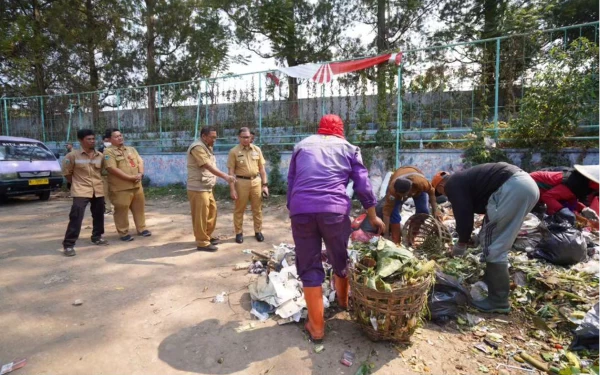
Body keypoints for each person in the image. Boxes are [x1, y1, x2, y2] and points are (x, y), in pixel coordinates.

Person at [288, 114, 385, 342]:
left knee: (309, 264)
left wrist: (295, 209)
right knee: (339, 256)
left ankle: (317, 327)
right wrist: (373, 216)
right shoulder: (350, 148)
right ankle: (343, 301)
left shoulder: (301, 146)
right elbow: (363, 185)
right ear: (341, 129)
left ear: (320, 128)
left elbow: (291, 182)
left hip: (301, 209)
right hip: (334, 211)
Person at [431, 162, 539, 313]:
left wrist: (461, 244)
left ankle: (498, 301)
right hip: (526, 186)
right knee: (497, 240)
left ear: (442, 185)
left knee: (494, 247)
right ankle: (491, 285)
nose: (445, 195)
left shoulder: (452, 184)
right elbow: (490, 215)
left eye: (441, 192)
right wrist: (477, 237)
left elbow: (463, 215)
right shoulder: (467, 180)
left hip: (512, 188)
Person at [187, 126, 236, 252]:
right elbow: (207, 166)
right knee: (201, 215)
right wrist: (225, 176)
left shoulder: (206, 146)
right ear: (204, 136)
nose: (215, 139)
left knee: (212, 211)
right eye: (212, 137)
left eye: (215, 137)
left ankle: (206, 236)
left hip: (206, 186)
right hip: (198, 187)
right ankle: (202, 242)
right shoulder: (197, 147)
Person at [61, 129, 108, 256]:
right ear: (81, 140)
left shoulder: (100, 156)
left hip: (97, 189)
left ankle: (97, 237)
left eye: (93, 139)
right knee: (76, 216)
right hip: (81, 190)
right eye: (89, 139)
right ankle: (69, 245)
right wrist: (76, 183)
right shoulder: (72, 156)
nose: (92, 141)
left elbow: (103, 172)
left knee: (99, 214)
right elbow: (67, 173)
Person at [104, 128, 151, 241]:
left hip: (136, 185)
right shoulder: (108, 152)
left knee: (139, 208)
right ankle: (124, 232)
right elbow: (112, 168)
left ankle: (141, 228)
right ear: (109, 139)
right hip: (121, 188)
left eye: (120, 135)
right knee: (121, 210)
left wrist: (140, 173)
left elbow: (140, 161)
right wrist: (130, 178)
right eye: (116, 136)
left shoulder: (131, 149)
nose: (120, 138)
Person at [227, 127, 269, 244]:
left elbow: (262, 169)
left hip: (256, 181)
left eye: (248, 137)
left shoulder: (257, 150)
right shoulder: (234, 152)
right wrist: (232, 189)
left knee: (257, 209)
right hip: (241, 182)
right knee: (239, 209)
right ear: (239, 137)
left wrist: (265, 185)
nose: (246, 139)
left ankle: (258, 231)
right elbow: (230, 173)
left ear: (251, 137)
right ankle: (239, 233)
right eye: (243, 137)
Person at [381, 165, 440, 243]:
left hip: (417, 188)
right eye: (399, 194)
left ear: (409, 190)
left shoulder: (421, 183)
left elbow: (432, 193)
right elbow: (387, 213)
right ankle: (396, 241)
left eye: (402, 195)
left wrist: (435, 210)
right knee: (394, 214)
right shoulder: (393, 191)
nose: (401, 197)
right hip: (399, 176)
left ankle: (411, 238)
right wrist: (386, 234)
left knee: (423, 211)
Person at [530, 166, 600, 222]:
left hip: (542, 191)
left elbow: (570, 199)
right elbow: (547, 197)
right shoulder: (573, 182)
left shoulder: (582, 184)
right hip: (532, 186)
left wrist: (583, 209)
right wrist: (561, 210)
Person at [99, 134, 113, 214]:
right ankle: (108, 209)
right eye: (106, 141)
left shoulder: (115, 149)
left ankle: (116, 208)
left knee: (114, 192)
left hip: (115, 175)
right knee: (105, 192)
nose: (108, 143)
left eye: (109, 141)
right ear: (103, 141)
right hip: (104, 175)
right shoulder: (100, 150)